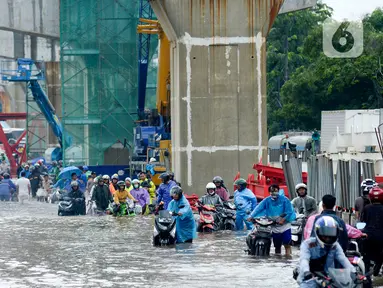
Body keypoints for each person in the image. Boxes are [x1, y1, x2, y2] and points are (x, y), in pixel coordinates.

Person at [298, 216, 358, 288]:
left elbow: (343, 259)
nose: (328, 238)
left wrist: (354, 272)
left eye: (331, 235)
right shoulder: (307, 244)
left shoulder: (335, 246)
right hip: (309, 279)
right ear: (317, 232)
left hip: (328, 279)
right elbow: (304, 259)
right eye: (325, 235)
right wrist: (306, 272)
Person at [248, 184, 295, 256]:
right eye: (272, 191)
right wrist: (251, 216)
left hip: (285, 225)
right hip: (274, 225)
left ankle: (288, 258)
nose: (274, 193)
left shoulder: (285, 199)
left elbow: (289, 211)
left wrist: (283, 219)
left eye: (276, 191)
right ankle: (277, 258)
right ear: (269, 192)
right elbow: (258, 208)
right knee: (277, 245)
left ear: (278, 191)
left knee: (287, 243)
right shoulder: (267, 200)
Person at [360, 186, 383, 277]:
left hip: (368, 235)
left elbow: (363, 221)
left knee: (366, 255)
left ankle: (366, 272)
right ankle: (377, 267)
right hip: (381, 236)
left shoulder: (367, 208)